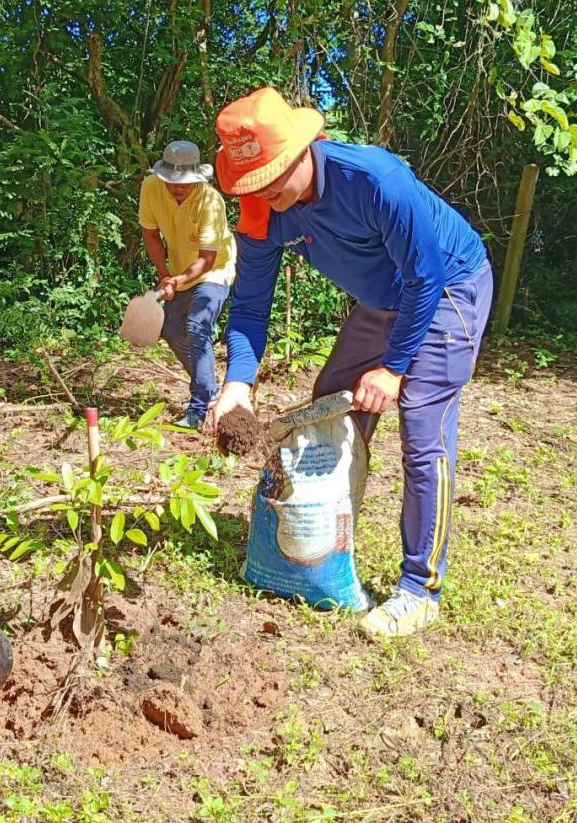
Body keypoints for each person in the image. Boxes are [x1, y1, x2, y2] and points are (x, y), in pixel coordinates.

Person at [209, 87, 493, 638]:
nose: (263, 192)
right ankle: (323, 550)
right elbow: (249, 305)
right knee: (327, 409)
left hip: (449, 286)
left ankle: (419, 589)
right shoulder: (263, 210)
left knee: (422, 427)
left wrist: (394, 368)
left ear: (302, 149)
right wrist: (238, 382)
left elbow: (425, 277)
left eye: (271, 177)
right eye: (251, 184)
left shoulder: (375, 180)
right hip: (385, 298)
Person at [139, 139, 237, 428]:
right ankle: (209, 386)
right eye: (172, 180)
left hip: (215, 269)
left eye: (185, 181)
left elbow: (207, 258)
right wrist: (165, 274)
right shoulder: (151, 188)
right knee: (171, 331)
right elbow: (151, 236)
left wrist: (177, 279)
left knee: (197, 326)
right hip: (180, 269)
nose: (178, 186)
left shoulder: (211, 202)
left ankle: (199, 407)